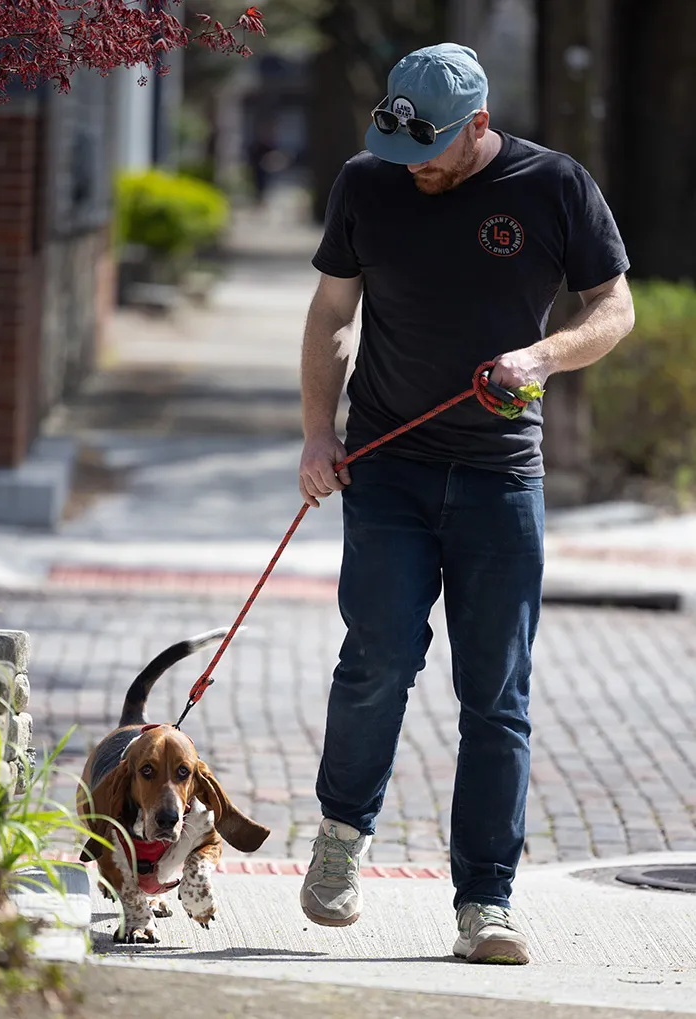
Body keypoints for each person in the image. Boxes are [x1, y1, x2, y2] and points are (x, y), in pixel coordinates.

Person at [297, 43, 634, 965]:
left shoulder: (555, 186)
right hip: (388, 471)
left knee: (497, 697)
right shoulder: (370, 182)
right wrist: (320, 433)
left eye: (433, 153)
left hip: (499, 478)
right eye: (401, 148)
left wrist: (542, 357)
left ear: (479, 125)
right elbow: (333, 314)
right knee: (376, 659)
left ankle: (485, 902)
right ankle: (339, 840)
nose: (416, 170)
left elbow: (614, 306)